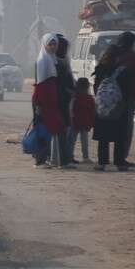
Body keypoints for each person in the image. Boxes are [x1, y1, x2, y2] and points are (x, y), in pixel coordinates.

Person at [92, 31, 135, 172]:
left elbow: (97, 78)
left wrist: (99, 97)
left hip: (103, 100)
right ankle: (119, 162)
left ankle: (102, 162)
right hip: (124, 99)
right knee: (121, 131)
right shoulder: (133, 59)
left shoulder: (107, 55)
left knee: (104, 131)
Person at [32, 33, 67, 168]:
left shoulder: (53, 59)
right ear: (45, 45)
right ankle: (40, 160)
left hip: (51, 100)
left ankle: (52, 159)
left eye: (54, 44)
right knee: (43, 130)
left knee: (53, 129)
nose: (53, 47)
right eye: (50, 44)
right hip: (43, 100)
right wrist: (40, 105)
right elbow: (40, 85)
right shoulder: (42, 60)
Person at [54, 34, 77, 168]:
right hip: (59, 101)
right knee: (61, 131)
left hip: (66, 101)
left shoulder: (63, 61)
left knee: (67, 131)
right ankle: (62, 158)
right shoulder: (54, 62)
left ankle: (66, 156)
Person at [68, 77, 95, 164]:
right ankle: (85, 157)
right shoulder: (90, 98)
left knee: (72, 140)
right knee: (84, 141)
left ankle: (70, 155)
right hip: (85, 122)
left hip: (75, 121)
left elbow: (71, 109)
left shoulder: (74, 97)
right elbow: (93, 111)